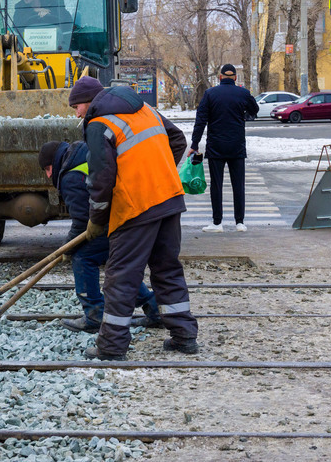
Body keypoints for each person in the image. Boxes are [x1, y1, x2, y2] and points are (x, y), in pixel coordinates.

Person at [70, 76, 198, 361]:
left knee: (121, 277)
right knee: (167, 269)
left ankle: (112, 347)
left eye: (76, 106)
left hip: (137, 207)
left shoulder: (99, 124)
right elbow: (177, 139)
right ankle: (184, 336)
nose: (77, 113)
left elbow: (101, 180)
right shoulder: (146, 109)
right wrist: (158, 170)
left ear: (89, 102)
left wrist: (96, 220)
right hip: (169, 198)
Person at [38, 140, 161, 332]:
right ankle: (154, 310)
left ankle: (94, 314)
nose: (48, 175)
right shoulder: (82, 151)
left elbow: (82, 221)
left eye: (48, 168)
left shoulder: (70, 176)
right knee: (119, 265)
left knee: (83, 258)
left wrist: (68, 248)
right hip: (132, 213)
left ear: (55, 160)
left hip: (116, 218)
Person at [189, 64, 259, 233]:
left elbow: (201, 121)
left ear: (220, 77)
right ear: (235, 78)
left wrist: (194, 144)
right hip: (237, 146)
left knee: (216, 185)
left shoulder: (210, 94)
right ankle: (239, 222)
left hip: (216, 146)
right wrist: (243, 115)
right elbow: (254, 110)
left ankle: (217, 222)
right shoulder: (243, 93)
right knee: (238, 184)